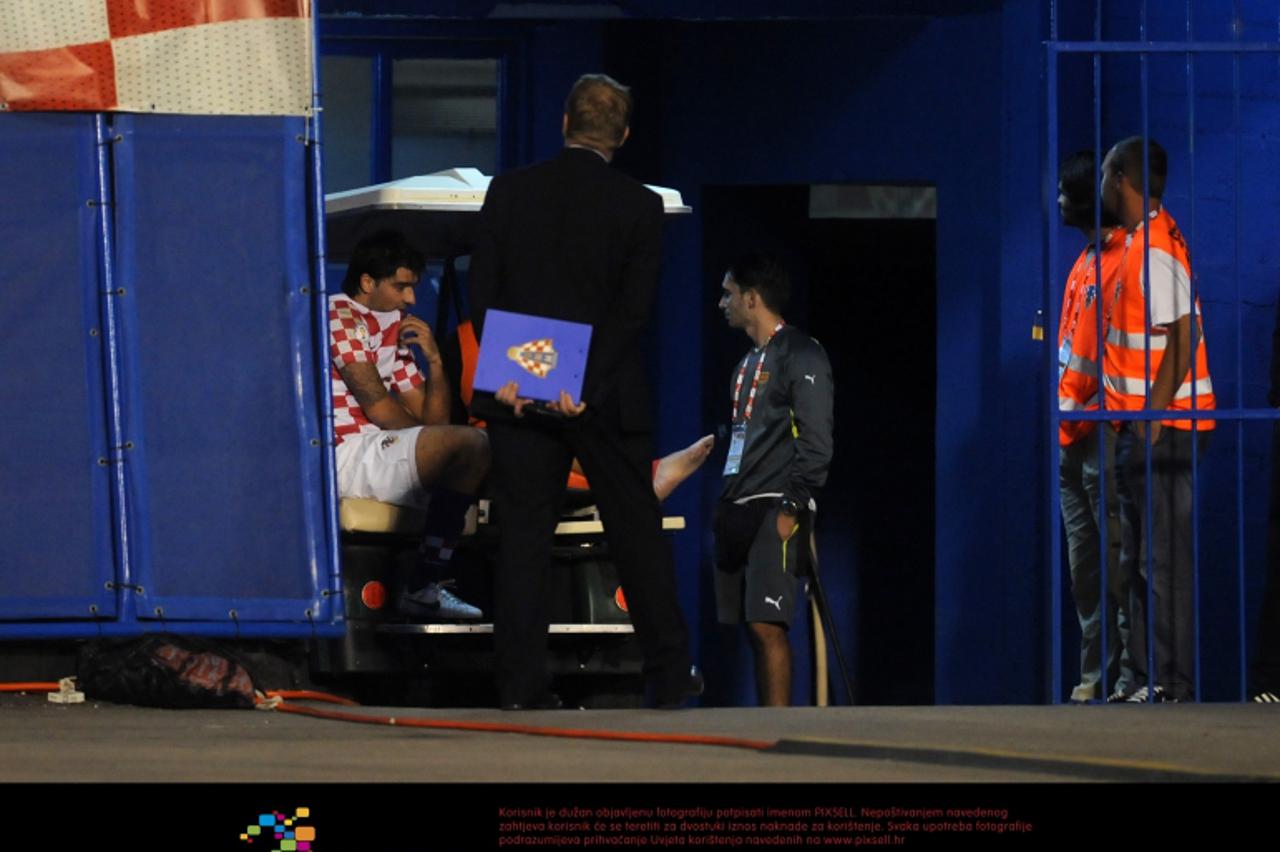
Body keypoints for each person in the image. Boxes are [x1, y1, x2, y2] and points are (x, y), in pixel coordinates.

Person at [468, 73, 702, 710]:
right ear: (622, 136)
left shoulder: (509, 192)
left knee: (523, 537)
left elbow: (481, 293)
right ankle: (671, 677)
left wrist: (516, 377)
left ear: (563, 123)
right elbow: (632, 314)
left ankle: (519, 687)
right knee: (636, 533)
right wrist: (584, 387)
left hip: (519, 392)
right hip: (606, 397)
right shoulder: (639, 205)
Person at [1100, 137, 1215, 702]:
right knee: (1139, 562)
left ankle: (1172, 684)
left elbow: (1184, 335)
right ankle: (1145, 679)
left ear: (1120, 177)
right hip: (1142, 431)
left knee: (1159, 563)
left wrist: (1152, 414)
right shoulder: (1141, 243)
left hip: (1165, 433)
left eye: (1103, 172)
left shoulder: (1157, 247)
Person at [329, 230, 491, 620]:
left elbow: (433, 421)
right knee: (473, 446)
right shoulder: (339, 314)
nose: (411, 299)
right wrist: (429, 436)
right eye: (401, 287)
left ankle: (426, 585)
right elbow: (380, 407)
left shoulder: (395, 325)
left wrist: (434, 361)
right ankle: (425, 584)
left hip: (379, 450)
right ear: (368, 282)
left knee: (499, 447)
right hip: (343, 452)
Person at [713, 253, 833, 706]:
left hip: (775, 507)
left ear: (751, 298)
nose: (722, 303)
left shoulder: (802, 353)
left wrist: (791, 507)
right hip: (737, 507)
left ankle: (778, 731)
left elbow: (817, 441)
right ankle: (763, 726)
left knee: (769, 626)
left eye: (728, 294)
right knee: (750, 627)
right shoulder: (745, 364)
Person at [1054, 150, 1133, 703]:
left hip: (1104, 433)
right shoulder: (1084, 261)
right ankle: (1093, 681)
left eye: (1064, 190)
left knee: (1119, 566)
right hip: (1073, 434)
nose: (1057, 199)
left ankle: (1129, 681)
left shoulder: (1127, 260)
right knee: (1086, 574)